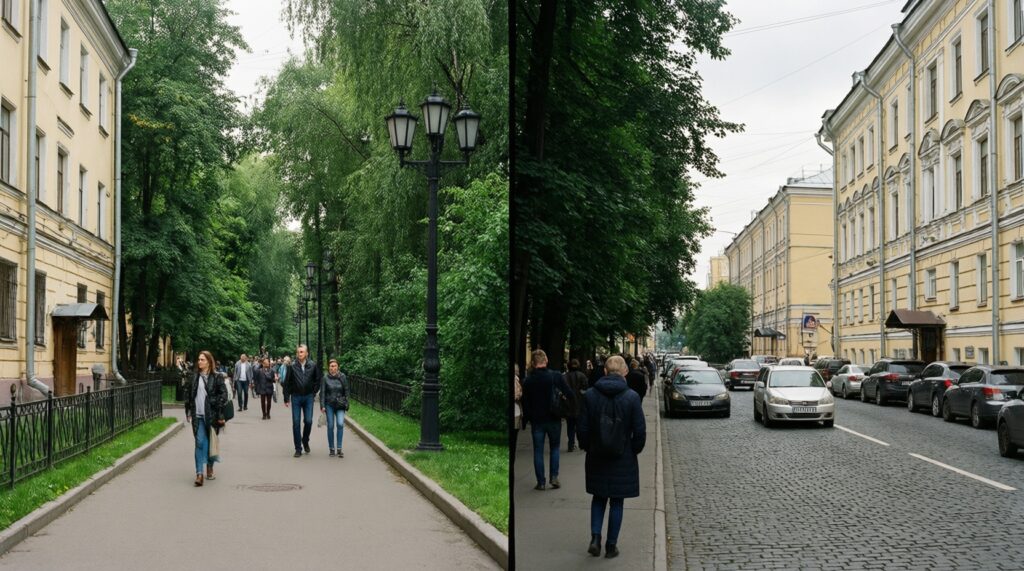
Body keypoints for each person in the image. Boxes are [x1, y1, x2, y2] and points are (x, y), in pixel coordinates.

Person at [578, 355, 646, 559]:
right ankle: (611, 545)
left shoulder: (590, 395)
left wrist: (588, 446)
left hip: (596, 455)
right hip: (622, 456)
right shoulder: (632, 397)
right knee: (617, 501)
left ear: (605, 371)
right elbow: (640, 431)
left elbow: (582, 428)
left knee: (598, 498)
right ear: (625, 372)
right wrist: (633, 450)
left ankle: (595, 538)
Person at [521, 349, 575, 491]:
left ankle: (541, 482)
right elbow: (569, 393)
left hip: (537, 420)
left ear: (533, 363)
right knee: (555, 448)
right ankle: (554, 477)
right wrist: (566, 407)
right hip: (554, 417)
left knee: (538, 451)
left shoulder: (528, 381)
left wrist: (528, 418)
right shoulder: (555, 376)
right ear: (546, 360)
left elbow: (525, 403)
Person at [184, 351, 228, 487]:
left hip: (212, 415)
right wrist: (188, 411)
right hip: (197, 415)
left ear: (209, 361)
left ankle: (209, 466)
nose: (199, 362)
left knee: (210, 442)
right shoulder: (194, 376)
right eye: (199, 359)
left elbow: (224, 395)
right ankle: (199, 474)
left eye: (202, 359)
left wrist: (213, 402)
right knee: (199, 442)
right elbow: (189, 395)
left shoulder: (217, 377)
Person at [284, 344, 321, 457]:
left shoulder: (313, 365)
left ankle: (305, 440)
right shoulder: (292, 366)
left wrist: (314, 392)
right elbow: (287, 382)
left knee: (308, 421)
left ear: (306, 353)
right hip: (296, 397)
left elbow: (318, 380)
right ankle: (298, 448)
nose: (299, 354)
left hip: (308, 397)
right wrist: (286, 397)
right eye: (298, 352)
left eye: (301, 352)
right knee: (296, 423)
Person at [319, 359, 350, 457]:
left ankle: (339, 448)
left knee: (340, 424)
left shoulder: (343, 377)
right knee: (330, 426)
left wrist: (347, 402)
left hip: (340, 404)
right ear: (329, 367)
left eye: (335, 366)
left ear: (338, 367)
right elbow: (322, 393)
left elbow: (346, 390)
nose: (333, 368)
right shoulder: (325, 378)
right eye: (331, 366)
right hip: (329, 404)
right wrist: (322, 405)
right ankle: (332, 448)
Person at [563, 359, 588, 452]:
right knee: (579, 426)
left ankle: (571, 444)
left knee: (570, 426)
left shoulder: (565, 376)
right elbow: (585, 389)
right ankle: (581, 443)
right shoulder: (582, 376)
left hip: (568, 404)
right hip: (579, 404)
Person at [513, 364, 523, 451]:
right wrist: (520, 394)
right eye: (517, 369)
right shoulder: (515, 380)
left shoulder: (517, 379)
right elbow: (516, 396)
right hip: (515, 411)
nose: (519, 370)